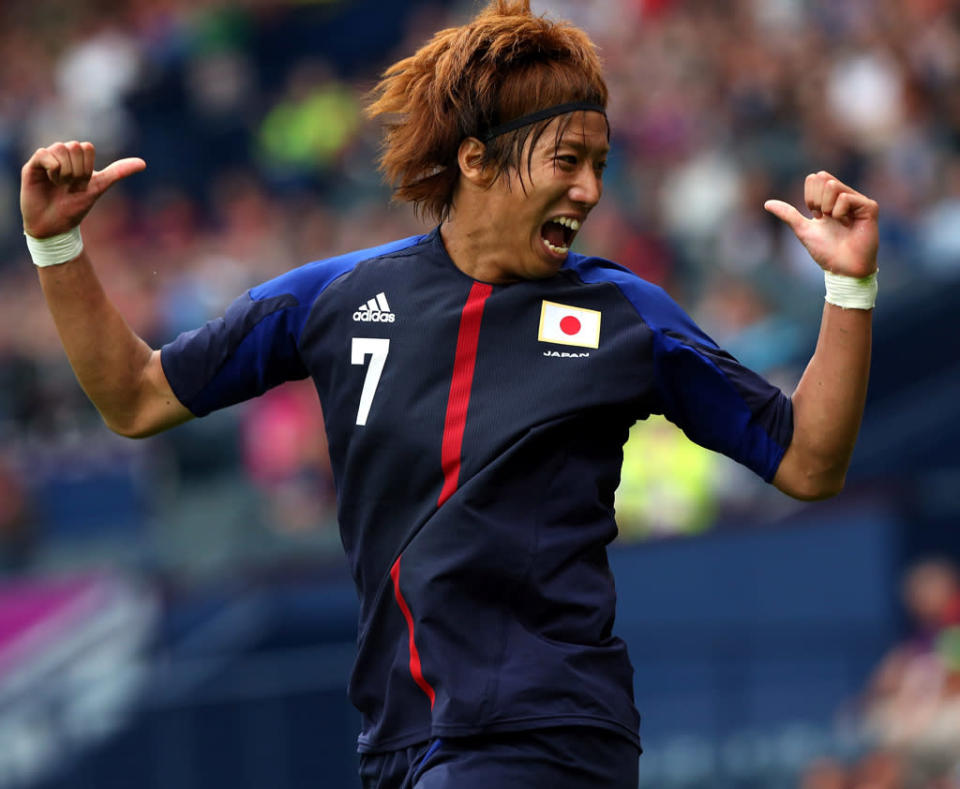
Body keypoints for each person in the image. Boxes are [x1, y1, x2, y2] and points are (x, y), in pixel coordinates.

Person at [19, 1, 878, 786]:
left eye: (601, 165)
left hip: (546, 731)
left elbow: (806, 460)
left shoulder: (627, 318)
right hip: (400, 741)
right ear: (477, 159)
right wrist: (57, 249)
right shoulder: (336, 298)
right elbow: (137, 399)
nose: (589, 189)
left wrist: (850, 292)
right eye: (568, 161)